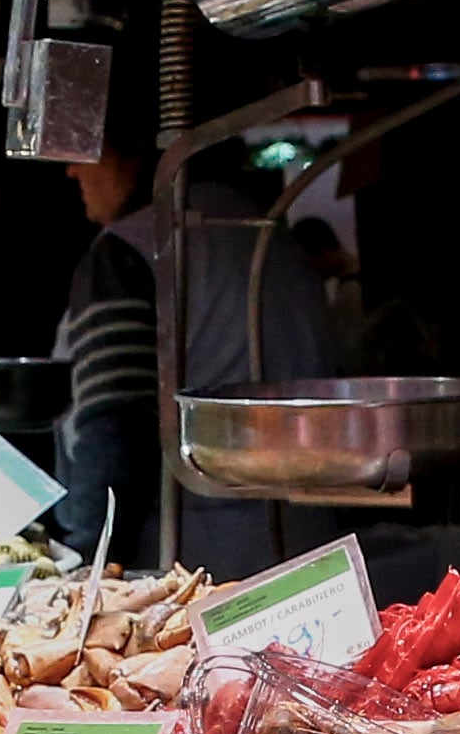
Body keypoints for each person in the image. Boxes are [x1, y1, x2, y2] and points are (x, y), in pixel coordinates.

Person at [49, 120, 339, 563]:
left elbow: (116, 428)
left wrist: (83, 563)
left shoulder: (128, 250)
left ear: (133, 154)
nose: (72, 169)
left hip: (192, 564)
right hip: (306, 549)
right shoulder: (271, 236)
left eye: (89, 147)